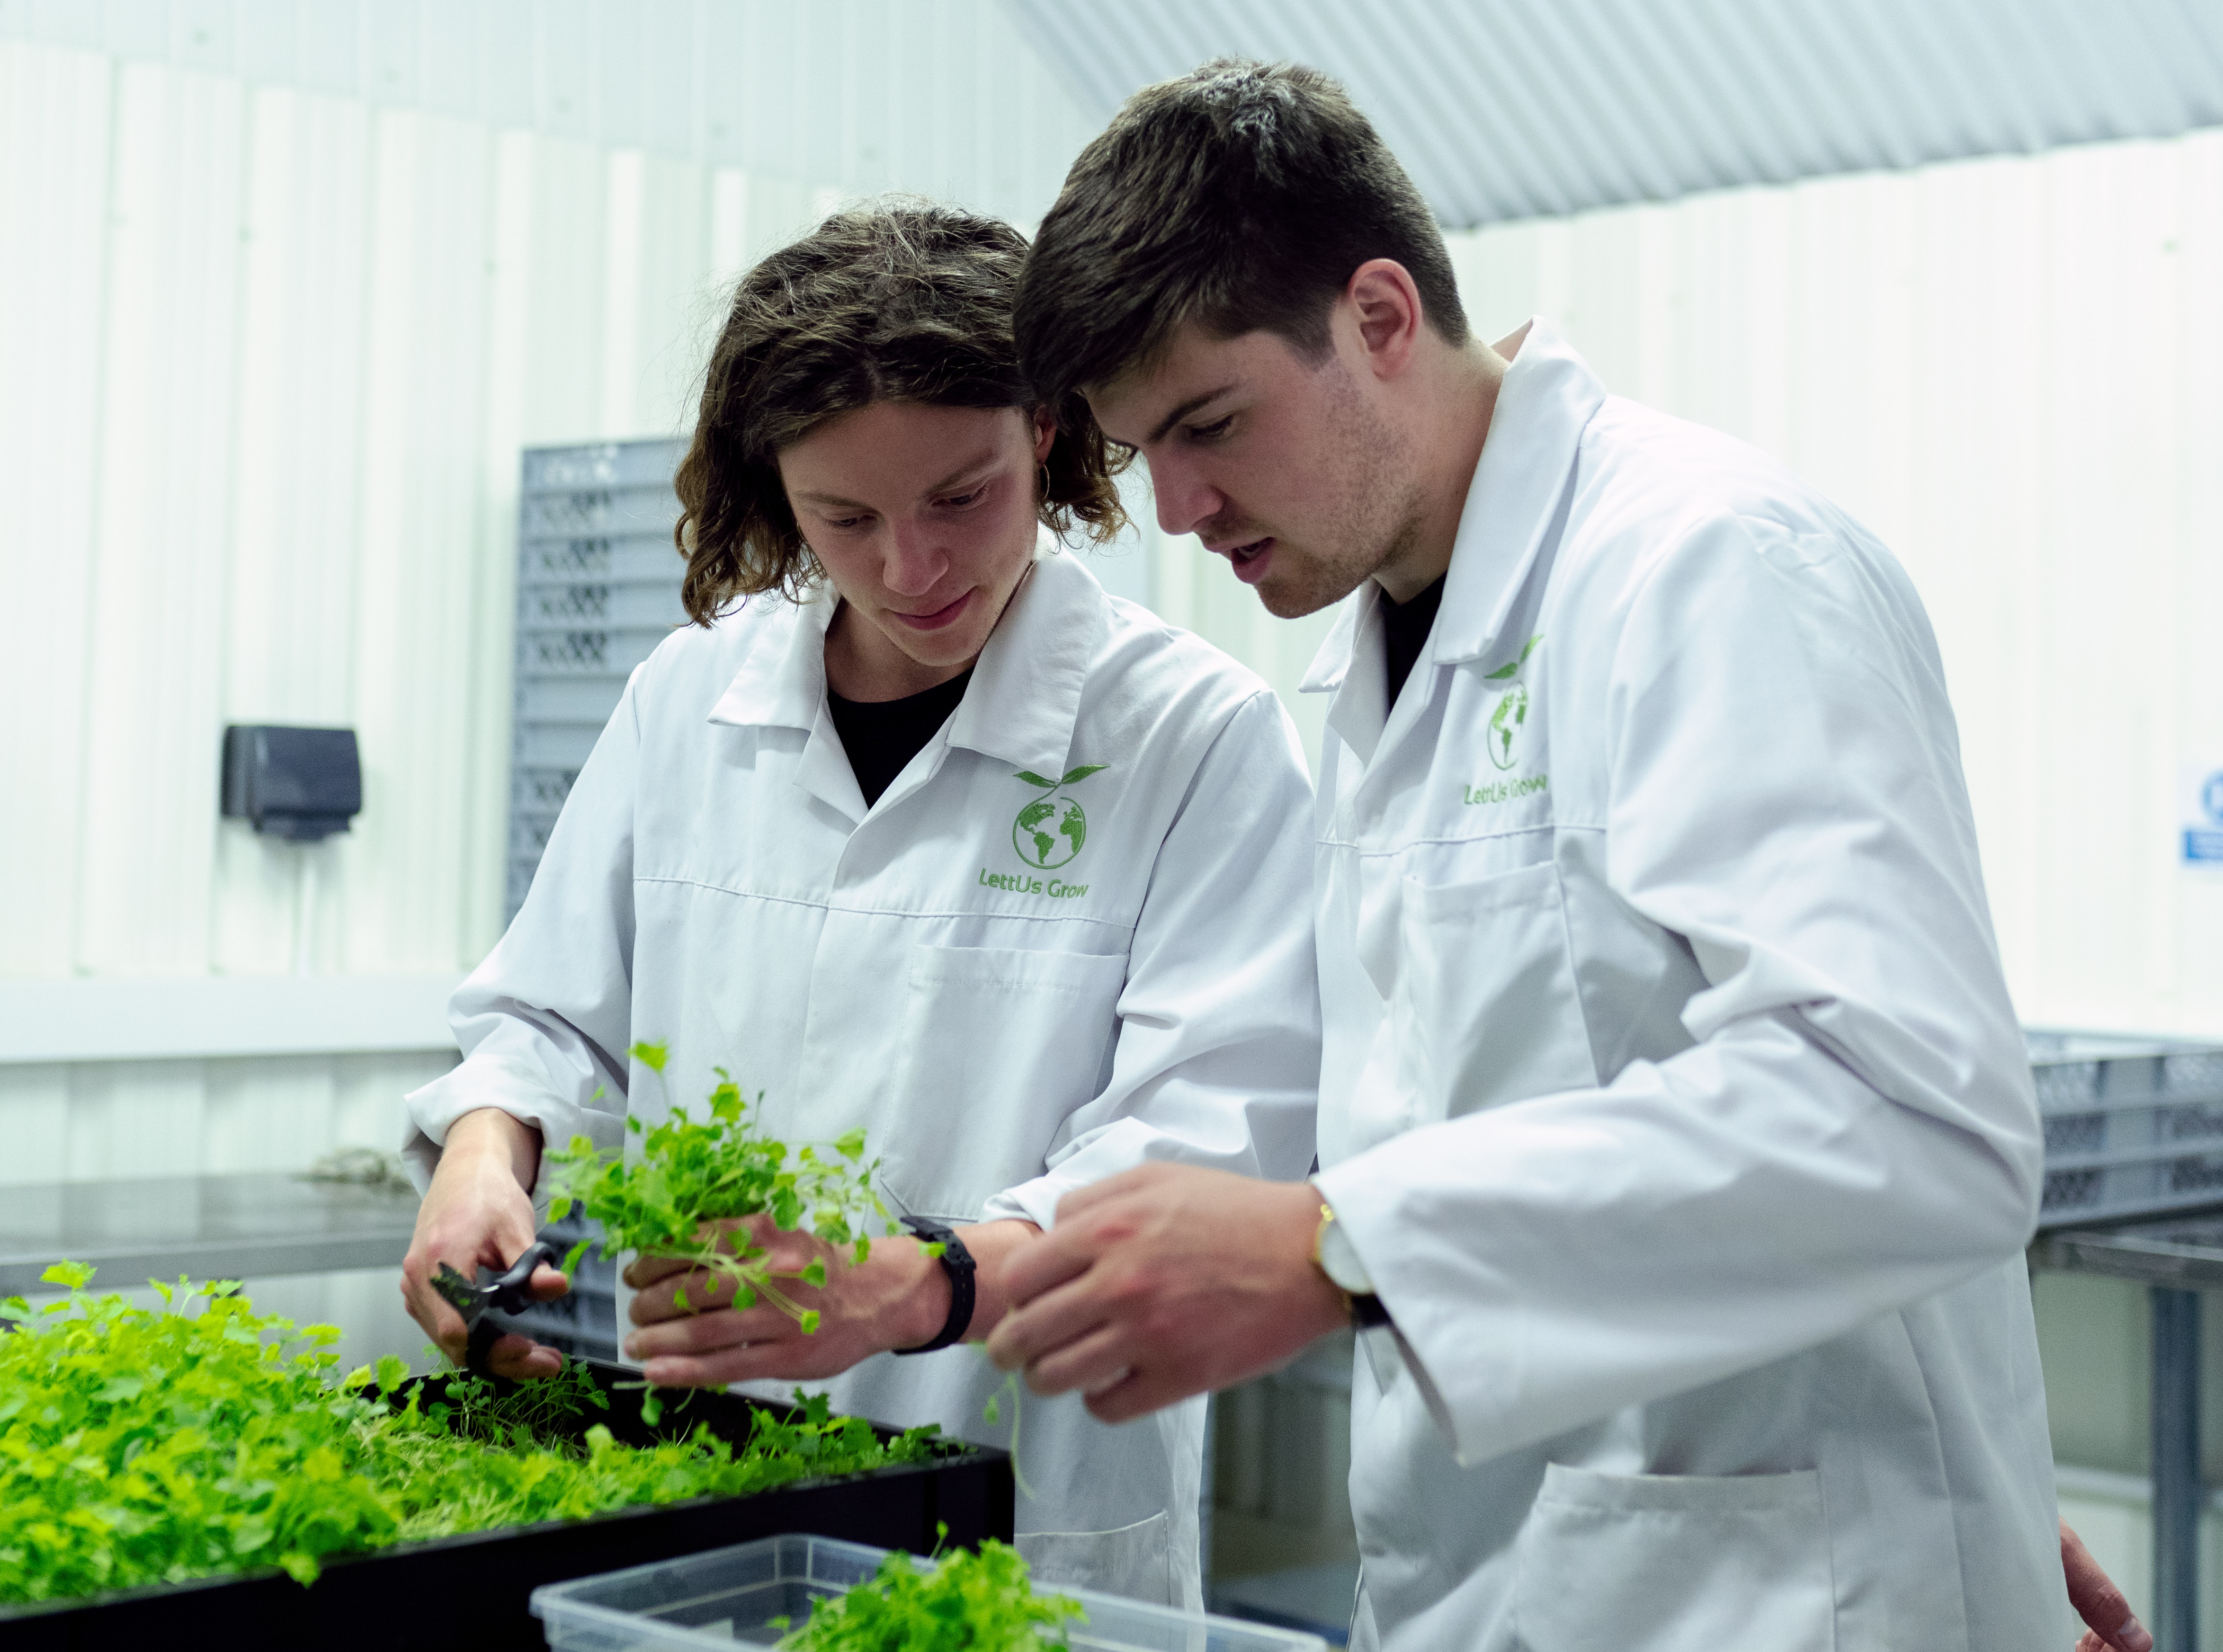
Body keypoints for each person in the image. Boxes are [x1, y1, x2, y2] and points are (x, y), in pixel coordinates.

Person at [985, 59, 2127, 1651]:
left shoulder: (1705, 567)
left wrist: (1338, 1245)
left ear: (1379, 316)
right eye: (1140, 451)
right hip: (1517, 1575)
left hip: (1785, 1592)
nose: (1177, 508)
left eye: (1207, 425)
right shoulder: (1382, 649)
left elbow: (1911, 1113)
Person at [395, 203, 1320, 1607]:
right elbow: (548, 1014)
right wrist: (484, 1150)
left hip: (1024, 1492)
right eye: (845, 518)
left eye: (962, 497)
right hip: (695, 1476)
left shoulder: (1191, 734)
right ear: (778, 495)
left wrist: (931, 1283)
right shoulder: (689, 698)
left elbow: (1207, 1138)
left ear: (1050, 439)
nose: (911, 568)